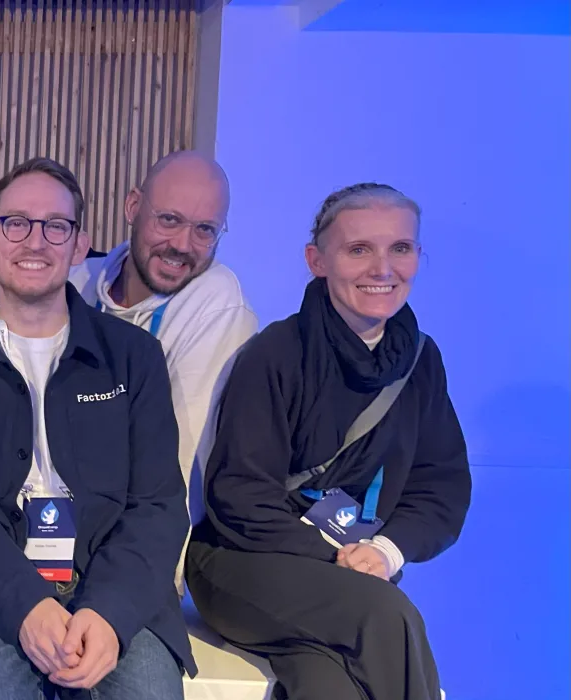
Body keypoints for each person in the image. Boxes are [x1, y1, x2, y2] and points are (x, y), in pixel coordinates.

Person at [0, 157, 195, 700]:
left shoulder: (134, 358)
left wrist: (109, 613)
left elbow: (158, 505)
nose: (34, 241)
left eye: (55, 226)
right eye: (15, 223)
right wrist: (26, 602)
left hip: (112, 588)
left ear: (80, 244)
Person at [186, 183, 471, 700]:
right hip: (240, 565)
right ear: (317, 260)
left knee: (328, 685)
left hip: (346, 578)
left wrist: (385, 550)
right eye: (359, 249)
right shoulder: (272, 354)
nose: (382, 269)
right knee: (385, 613)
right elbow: (238, 496)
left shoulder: (422, 361)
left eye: (401, 248)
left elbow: (441, 488)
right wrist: (338, 555)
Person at [0, 150, 257, 592]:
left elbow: (176, 467)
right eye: (168, 219)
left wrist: (144, 584)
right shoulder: (79, 280)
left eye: (205, 229)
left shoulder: (219, 305)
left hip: (124, 558)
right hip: (34, 542)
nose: (183, 244)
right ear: (132, 207)